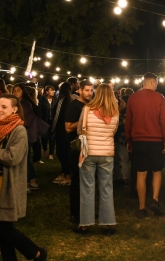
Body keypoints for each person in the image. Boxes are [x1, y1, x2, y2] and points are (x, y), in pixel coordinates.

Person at [0, 94, 47, 261]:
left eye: (4, 107)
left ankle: (37, 253)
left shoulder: (18, 130)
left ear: (15, 109)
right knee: (2, 230)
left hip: (6, 187)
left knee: (6, 229)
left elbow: (12, 158)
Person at [125, 72, 165, 218]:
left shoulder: (133, 98)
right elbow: (164, 120)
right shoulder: (159, 98)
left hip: (138, 140)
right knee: (157, 171)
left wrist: (128, 140)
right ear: (152, 82)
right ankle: (155, 200)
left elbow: (128, 121)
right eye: (156, 83)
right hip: (156, 140)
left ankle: (142, 207)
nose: (156, 86)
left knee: (141, 173)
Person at [75, 85, 119, 235]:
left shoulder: (87, 109)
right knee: (106, 188)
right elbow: (114, 131)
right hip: (107, 153)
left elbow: (80, 129)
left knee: (87, 188)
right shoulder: (115, 112)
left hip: (89, 152)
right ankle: (108, 224)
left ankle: (85, 224)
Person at [64, 80, 94, 223]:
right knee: (76, 180)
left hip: (90, 146)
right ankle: (75, 212)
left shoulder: (92, 105)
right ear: (80, 90)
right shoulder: (73, 106)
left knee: (89, 180)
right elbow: (68, 127)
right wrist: (85, 119)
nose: (90, 93)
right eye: (87, 90)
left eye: (91, 90)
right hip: (76, 147)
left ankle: (87, 211)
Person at [11, 84, 39, 190]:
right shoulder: (13, 102)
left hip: (25, 133)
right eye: (14, 90)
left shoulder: (25, 104)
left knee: (24, 158)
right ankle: (31, 179)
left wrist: (18, 124)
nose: (15, 92)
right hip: (17, 133)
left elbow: (28, 119)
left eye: (18, 90)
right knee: (23, 157)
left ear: (23, 92)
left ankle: (28, 181)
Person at [114, 95, 131, 186]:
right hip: (118, 139)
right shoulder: (120, 112)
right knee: (117, 158)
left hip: (123, 139)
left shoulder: (127, 114)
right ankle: (119, 177)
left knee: (123, 158)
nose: (120, 104)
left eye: (122, 102)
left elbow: (120, 124)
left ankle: (125, 178)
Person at [39, 85, 56, 160]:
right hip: (44, 121)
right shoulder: (42, 100)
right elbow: (40, 110)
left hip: (53, 122)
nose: (53, 92)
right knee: (44, 137)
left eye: (53, 90)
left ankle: (51, 154)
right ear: (47, 92)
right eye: (51, 90)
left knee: (52, 138)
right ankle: (45, 149)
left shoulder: (55, 100)